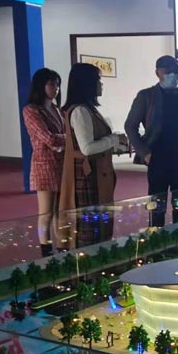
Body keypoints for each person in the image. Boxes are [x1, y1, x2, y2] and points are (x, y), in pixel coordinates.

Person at [59, 63, 128, 248]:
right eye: (98, 80)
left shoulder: (89, 109)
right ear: (87, 83)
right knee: (89, 224)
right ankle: (90, 259)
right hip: (88, 175)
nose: (101, 84)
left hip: (96, 172)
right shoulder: (80, 111)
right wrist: (114, 139)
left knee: (98, 219)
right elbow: (87, 148)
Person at [125, 55, 178, 227]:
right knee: (157, 204)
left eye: (176, 70)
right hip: (157, 157)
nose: (174, 74)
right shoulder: (146, 96)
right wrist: (145, 153)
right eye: (169, 70)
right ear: (158, 73)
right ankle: (156, 236)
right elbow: (130, 126)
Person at [22, 68, 65, 257]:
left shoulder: (57, 109)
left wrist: (65, 139)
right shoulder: (31, 110)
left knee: (60, 211)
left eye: (58, 84)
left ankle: (61, 247)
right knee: (46, 212)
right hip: (44, 165)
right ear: (41, 86)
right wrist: (70, 139)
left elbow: (61, 136)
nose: (56, 88)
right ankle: (46, 250)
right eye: (51, 84)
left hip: (62, 163)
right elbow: (49, 139)